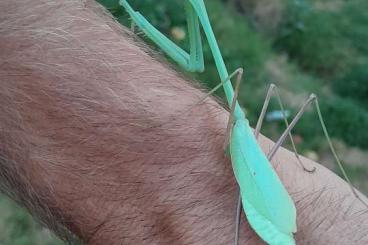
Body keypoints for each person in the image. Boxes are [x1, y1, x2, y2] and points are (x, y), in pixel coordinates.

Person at [0, 0, 367, 244]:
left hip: (248, 163)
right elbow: (195, 64)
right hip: (244, 150)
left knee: (250, 90)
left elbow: (194, 65)